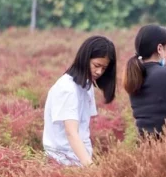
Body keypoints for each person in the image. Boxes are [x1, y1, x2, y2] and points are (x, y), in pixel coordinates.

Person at [43, 36, 117, 166]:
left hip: (78, 161)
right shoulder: (67, 88)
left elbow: (84, 129)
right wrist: (90, 167)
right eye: (96, 65)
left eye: (104, 68)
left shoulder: (86, 86)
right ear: (85, 59)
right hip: (63, 163)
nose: (99, 72)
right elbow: (71, 132)